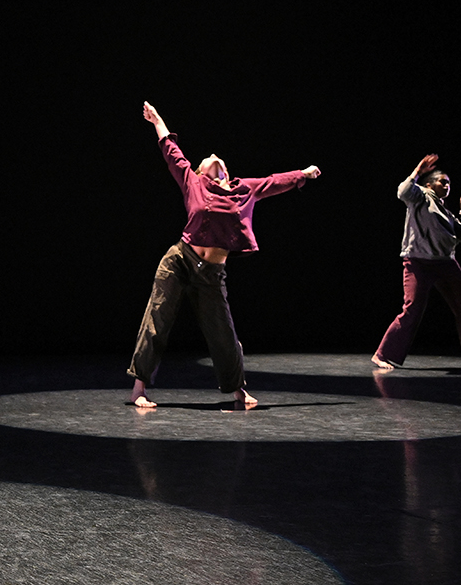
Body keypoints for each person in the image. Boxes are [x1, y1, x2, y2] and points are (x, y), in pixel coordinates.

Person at [128, 101, 322, 409]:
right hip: (180, 259)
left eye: (220, 160)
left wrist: (304, 174)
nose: (214, 157)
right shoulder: (192, 181)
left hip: (211, 272)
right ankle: (139, 388)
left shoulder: (244, 189)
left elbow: (275, 182)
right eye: (207, 159)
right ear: (200, 169)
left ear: (227, 171)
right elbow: (171, 152)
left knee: (222, 331)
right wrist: (157, 120)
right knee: (157, 318)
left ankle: (238, 391)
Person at [371, 154, 461, 372]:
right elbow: (402, 191)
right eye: (442, 181)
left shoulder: (447, 212)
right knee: (412, 308)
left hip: (445, 263)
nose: (447, 185)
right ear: (428, 184)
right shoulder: (420, 196)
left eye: (449, 183)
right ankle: (382, 354)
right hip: (418, 261)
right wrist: (417, 170)